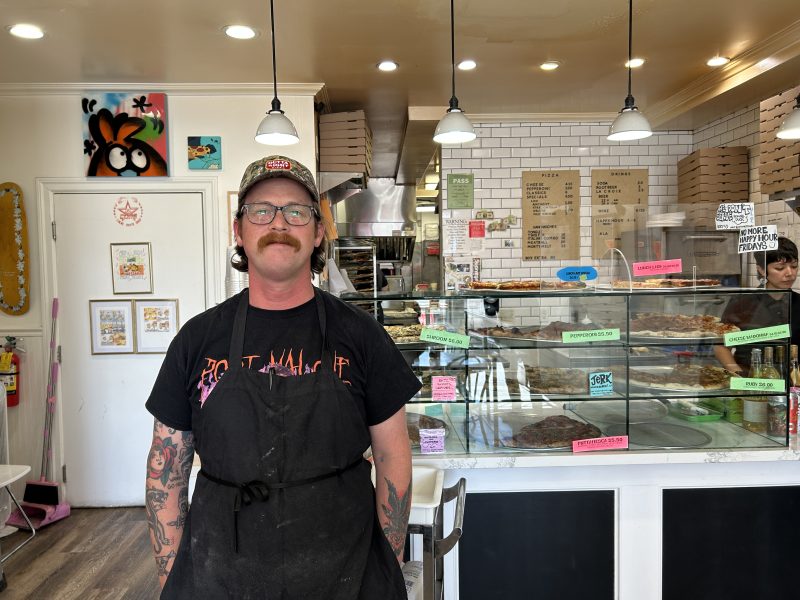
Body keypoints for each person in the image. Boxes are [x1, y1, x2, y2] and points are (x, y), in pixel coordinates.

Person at [145, 155, 420, 598]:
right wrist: (171, 577)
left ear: (317, 232)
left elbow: (392, 456)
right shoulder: (198, 340)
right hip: (219, 572)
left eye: (297, 211)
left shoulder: (362, 335)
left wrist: (387, 559)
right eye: (261, 210)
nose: (279, 223)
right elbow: (166, 471)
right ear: (239, 230)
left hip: (345, 571)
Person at [714, 237, 800, 375]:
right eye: (780, 268)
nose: (790, 273)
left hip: (792, 385)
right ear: (761, 270)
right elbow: (721, 347)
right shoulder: (742, 303)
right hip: (750, 380)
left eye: (794, 266)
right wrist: (740, 376)